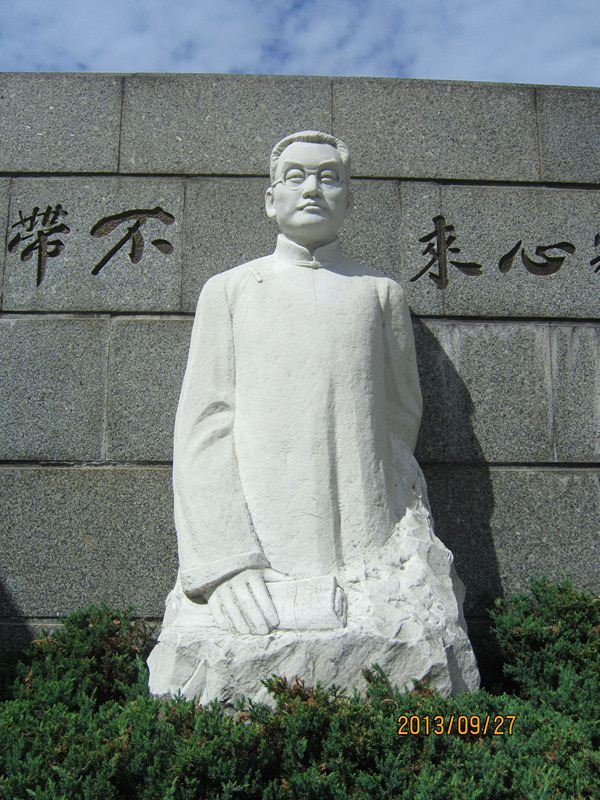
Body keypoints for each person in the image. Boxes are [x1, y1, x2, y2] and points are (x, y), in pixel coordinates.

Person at [149, 131, 478, 701]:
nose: (312, 189)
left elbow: (400, 420)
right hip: (260, 546)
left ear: (349, 199)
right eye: (296, 176)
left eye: (329, 178)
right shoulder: (229, 291)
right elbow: (204, 427)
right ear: (270, 198)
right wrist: (226, 563)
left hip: (367, 552)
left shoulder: (380, 294)